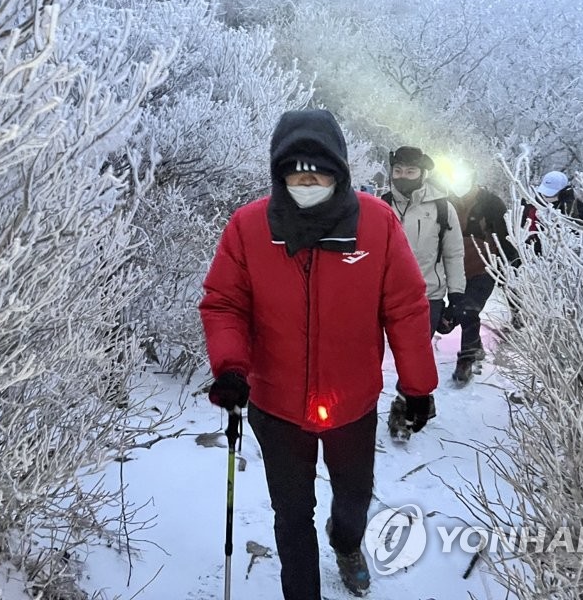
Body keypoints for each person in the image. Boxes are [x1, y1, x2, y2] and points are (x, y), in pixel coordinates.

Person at [199, 109, 438, 600]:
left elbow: (407, 307)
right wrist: (230, 368)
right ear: (278, 173)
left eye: (318, 173)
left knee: (351, 499)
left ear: (340, 171)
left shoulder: (376, 222)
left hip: (352, 401)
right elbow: (224, 303)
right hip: (275, 403)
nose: (307, 182)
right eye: (296, 172)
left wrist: (417, 387)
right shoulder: (249, 227)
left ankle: (347, 542)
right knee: (291, 512)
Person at [380, 146, 466, 336]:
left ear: (422, 173)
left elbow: (453, 254)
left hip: (427, 297)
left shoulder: (442, 208)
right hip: (387, 297)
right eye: (398, 171)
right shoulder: (381, 205)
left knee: (416, 359)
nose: (403, 176)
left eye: (411, 172)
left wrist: (456, 294)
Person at [446, 169, 519, 385]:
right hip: (454, 268)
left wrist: (511, 267)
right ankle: (476, 345)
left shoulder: (491, 204)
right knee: (450, 317)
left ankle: (466, 358)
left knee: (468, 309)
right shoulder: (444, 202)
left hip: (484, 267)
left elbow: (506, 238)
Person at [521, 170, 583, 255]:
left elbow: (576, 232)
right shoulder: (531, 202)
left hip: (559, 254)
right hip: (531, 251)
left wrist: (568, 203)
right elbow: (522, 226)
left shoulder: (575, 205)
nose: (546, 196)